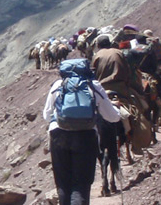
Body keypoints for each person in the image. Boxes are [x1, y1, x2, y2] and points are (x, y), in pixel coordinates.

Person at [43, 60, 121, 205]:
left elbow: (47, 116)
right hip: (85, 136)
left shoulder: (58, 85)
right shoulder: (94, 85)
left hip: (58, 135)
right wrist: (117, 109)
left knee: (63, 184)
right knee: (81, 185)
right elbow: (112, 117)